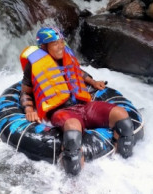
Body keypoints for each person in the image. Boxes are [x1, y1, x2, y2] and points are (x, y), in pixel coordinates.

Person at [19, 27, 135, 175]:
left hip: (84, 106)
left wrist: (93, 82)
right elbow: (25, 91)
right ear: (44, 46)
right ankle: (73, 183)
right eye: (55, 43)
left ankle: (125, 168)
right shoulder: (34, 65)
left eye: (61, 42)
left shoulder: (66, 57)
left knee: (122, 116)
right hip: (61, 111)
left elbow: (77, 72)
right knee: (73, 134)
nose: (61, 46)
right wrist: (29, 110)